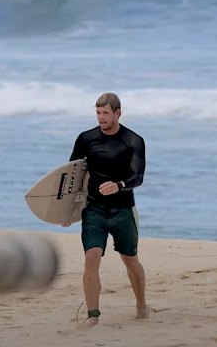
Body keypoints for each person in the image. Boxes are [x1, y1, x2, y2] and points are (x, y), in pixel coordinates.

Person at [63, 92, 148, 328]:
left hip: (123, 210)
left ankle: (141, 304)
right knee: (91, 257)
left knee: (130, 260)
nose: (101, 117)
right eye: (98, 113)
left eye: (105, 113)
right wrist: (68, 211)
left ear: (117, 113)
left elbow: (138, 177)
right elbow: (73, 175)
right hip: (94, 209)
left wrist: (119, 185)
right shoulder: (86, 139)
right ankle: (93, 315)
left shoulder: (134, 140)